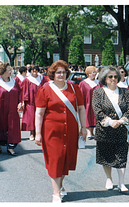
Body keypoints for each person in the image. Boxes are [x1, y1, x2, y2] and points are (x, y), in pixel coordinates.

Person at [35, 60, 87, 203]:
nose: (61, 75)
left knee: (66, 159)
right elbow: (39, 113)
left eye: (63, 72)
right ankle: (55, 192)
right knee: (55, 160)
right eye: (58, 72)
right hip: (51, 132)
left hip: (70, 131)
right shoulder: (45, 90)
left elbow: (81, 109)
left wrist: (84, 128)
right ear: (52, 74)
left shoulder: (75, 89)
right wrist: (38, 133)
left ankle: (60, 185)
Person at [92, 66, 129, 193]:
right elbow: (97, 110)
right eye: (110, 76)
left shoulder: (125, 92)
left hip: (121, 129)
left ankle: (122, 182)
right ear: (105, 78)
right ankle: (109, 178)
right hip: (105, 130)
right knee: (106, 156)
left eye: (115, 76)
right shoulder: (98, 92)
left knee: (122, 156)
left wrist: (121, 121)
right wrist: (110, 122)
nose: (113, 79)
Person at [21, 65, 48, 141]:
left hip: (41, 100)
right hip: (31, 101)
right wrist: (23, 101)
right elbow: (24, 91)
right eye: (33, 69)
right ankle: (32, 133)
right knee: (31, 117)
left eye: (36, 69)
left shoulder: (42, 79)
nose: (34, 70)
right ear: (30, 70)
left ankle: (38, 132)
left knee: (41, 116)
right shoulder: (27, 80)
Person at [79, 66, 101, 139]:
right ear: (88, 73)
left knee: (95, 117)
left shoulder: (98, 83)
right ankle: (88, 132)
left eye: (95, 72)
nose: (95, 73)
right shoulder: (84, 83)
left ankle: (92, 132)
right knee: (87, 116)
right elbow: (81, 93)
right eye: (93, 72)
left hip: (97, 103)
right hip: (87, 103)